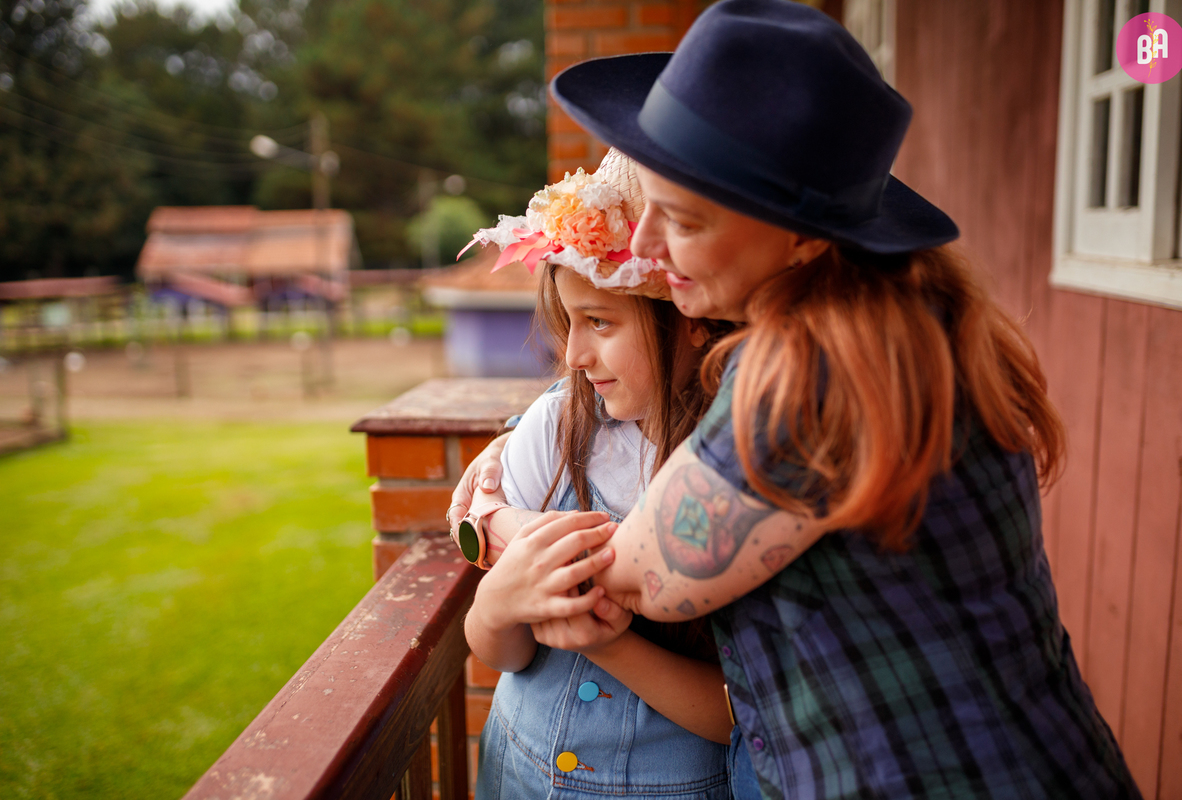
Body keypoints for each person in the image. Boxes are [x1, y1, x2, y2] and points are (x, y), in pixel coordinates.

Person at [451, 1, 1143, 797]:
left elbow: (645, 575)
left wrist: (495, 520)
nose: (643, 246)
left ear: (803, 238)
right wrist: (524, 439)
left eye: (682, 220)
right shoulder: (910, 315)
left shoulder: (815, 371)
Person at [458, 148, 757, 798]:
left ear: (692, 320)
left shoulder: (733, 470)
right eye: (568, 322)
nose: (573, 355)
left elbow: (737, 716)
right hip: (516, 769)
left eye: (600, 322)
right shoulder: (557, 427)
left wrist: (606, 642)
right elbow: (501, 650)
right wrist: (496, 604)